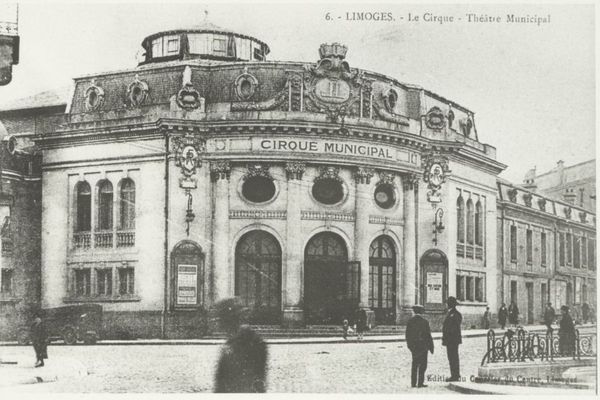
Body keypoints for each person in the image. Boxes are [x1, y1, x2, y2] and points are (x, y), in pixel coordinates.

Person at [214, 298, 268, 393]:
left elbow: (257, 382)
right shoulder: (231, 343)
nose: (218, 324)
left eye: (220, 320)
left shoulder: (252, 342)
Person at [406, 305, 434, 388]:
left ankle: (413, 383)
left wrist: (410, 346)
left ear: (414, 311)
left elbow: (407, 335)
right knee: (423, 365)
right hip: (423, 347)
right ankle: (420, 383)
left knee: (414, 364)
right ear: (421, 311)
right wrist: (431, 347)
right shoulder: (424, 322)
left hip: (414, 347)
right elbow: (428, 335)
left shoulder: (410, 321)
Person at [442, 296, 462, 382]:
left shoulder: (455, 314)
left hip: (452, 341)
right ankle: (455, 374)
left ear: (450, 305)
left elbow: (454, 328)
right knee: (452, 357)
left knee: (453, 357)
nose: (446, 305)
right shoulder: (451, 313)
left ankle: (455, 375)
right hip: (451, 340)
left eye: (448, 303)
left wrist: (448, 336)